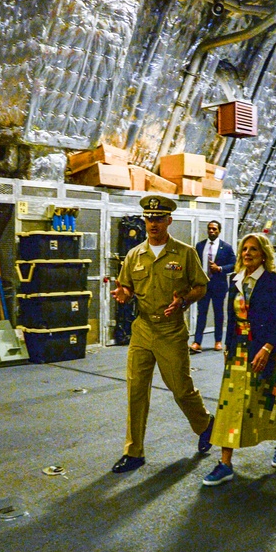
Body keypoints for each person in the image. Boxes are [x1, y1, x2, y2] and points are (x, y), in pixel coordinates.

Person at [110, 195, 215, 473]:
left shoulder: (185, 253)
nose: (153, 223)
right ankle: (134, 452)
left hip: (171, 331)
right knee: (136, 390)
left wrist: (182, 301)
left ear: (169, 220)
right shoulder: (134, 255)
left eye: (158, 218)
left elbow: (201, 287)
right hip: (143, 329)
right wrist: (124, 293)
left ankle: (205, 423)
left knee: (181, 389)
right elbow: (127, 287)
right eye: (148, 218)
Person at [202, 233, 276, 486]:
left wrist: (267, 347)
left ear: (263, 253)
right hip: (239, 351)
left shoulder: (273, 281)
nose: (247, 253)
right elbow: (232, 317)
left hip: (268, 350)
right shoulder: (236, 280)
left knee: (275, 401)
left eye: (253, 249)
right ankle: (225, 463)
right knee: (230, 406)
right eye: (244, 249)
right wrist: (228, 346)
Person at [191, 221, 236, 353]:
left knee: (218, 314)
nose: (211, 231)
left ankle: (218, 341)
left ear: (219, 231)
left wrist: (220, 268)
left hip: (219, 285)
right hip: (203, 285)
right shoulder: (200, 246)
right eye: (209, 229)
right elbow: (194, 263)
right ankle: (197, 342)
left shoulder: (226, 247)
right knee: (201, 314)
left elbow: (234, 264)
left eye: (214, 229)